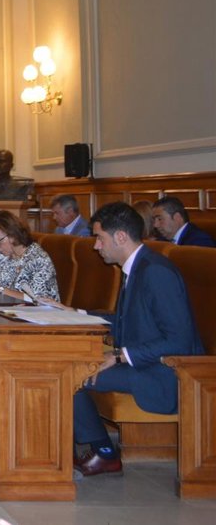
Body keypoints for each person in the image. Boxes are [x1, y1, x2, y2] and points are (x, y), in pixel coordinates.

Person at [64, 202, 203, 477]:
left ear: (120, 237)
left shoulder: (156, 272)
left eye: (99, 238)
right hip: (145, 363)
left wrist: (119, 356)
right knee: (68, 365)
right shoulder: (137, 267)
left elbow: (180, 341)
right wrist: (76, 314)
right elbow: (125, 321)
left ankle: (104, 453)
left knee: (73, 374)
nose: (96, 246)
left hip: (165, 373)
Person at [0, 210, 59, 301]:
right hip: (4, 306)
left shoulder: (38, 259)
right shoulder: (3, 256)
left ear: (12, 235)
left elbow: (39, 300)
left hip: (32, 309)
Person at [151, 196, 216, 247]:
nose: (155, 225)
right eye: (154, 220)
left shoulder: (200, 241)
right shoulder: (161, 240)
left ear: (177, 217)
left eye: (160, 219)